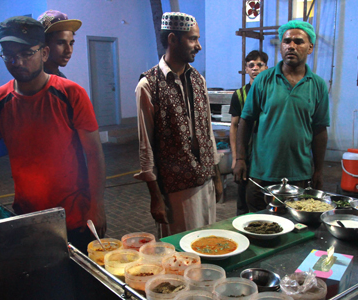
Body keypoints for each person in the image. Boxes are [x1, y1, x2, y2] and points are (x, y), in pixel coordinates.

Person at [0, 16, 106, 252]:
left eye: (27, 53)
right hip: (28, 216)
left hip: (75, 217)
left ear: (44, 53)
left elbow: (95, 155)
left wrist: (96, 207)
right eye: (9, 54)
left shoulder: (70, 94)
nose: (17, 61)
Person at [134, 12, 222, 238]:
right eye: (193, 39)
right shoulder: (148, 85)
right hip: (176, 192)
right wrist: (156, 198)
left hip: (205, 184)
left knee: (208, 245)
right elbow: (146, 147)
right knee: (181, 256)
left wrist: (217, 177)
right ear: (172, 39)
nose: (198, 46)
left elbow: (207, 132)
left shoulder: (198, 79)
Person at [233, 20, 330, 213]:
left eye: (298, 42)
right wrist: (241, 159)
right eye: (286, 41)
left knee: (295, 226)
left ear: (310, 48)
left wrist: (318, 170)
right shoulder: (263, 80)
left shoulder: (317, 85)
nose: (291, 46)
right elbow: (246, 121)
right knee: (257, 225)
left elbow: (319, 130)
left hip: (299, 175)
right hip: (261, 173)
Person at [229, 50, 269, 215]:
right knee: (243, 197)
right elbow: (234, 126)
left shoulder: (271, 92)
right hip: (246, 152)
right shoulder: (239, 95)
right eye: (251, 65)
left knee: (264, 195)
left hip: (266, 152)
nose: (255, 68)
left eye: (259, 64)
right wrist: (235, 157)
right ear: (246, 69)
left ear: (266, 67)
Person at [37, 10, 82, 78]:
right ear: (44, 44)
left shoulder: (62, 78)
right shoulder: (34, 80)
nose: (69, 50)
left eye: (71, 44)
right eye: (61, 43)